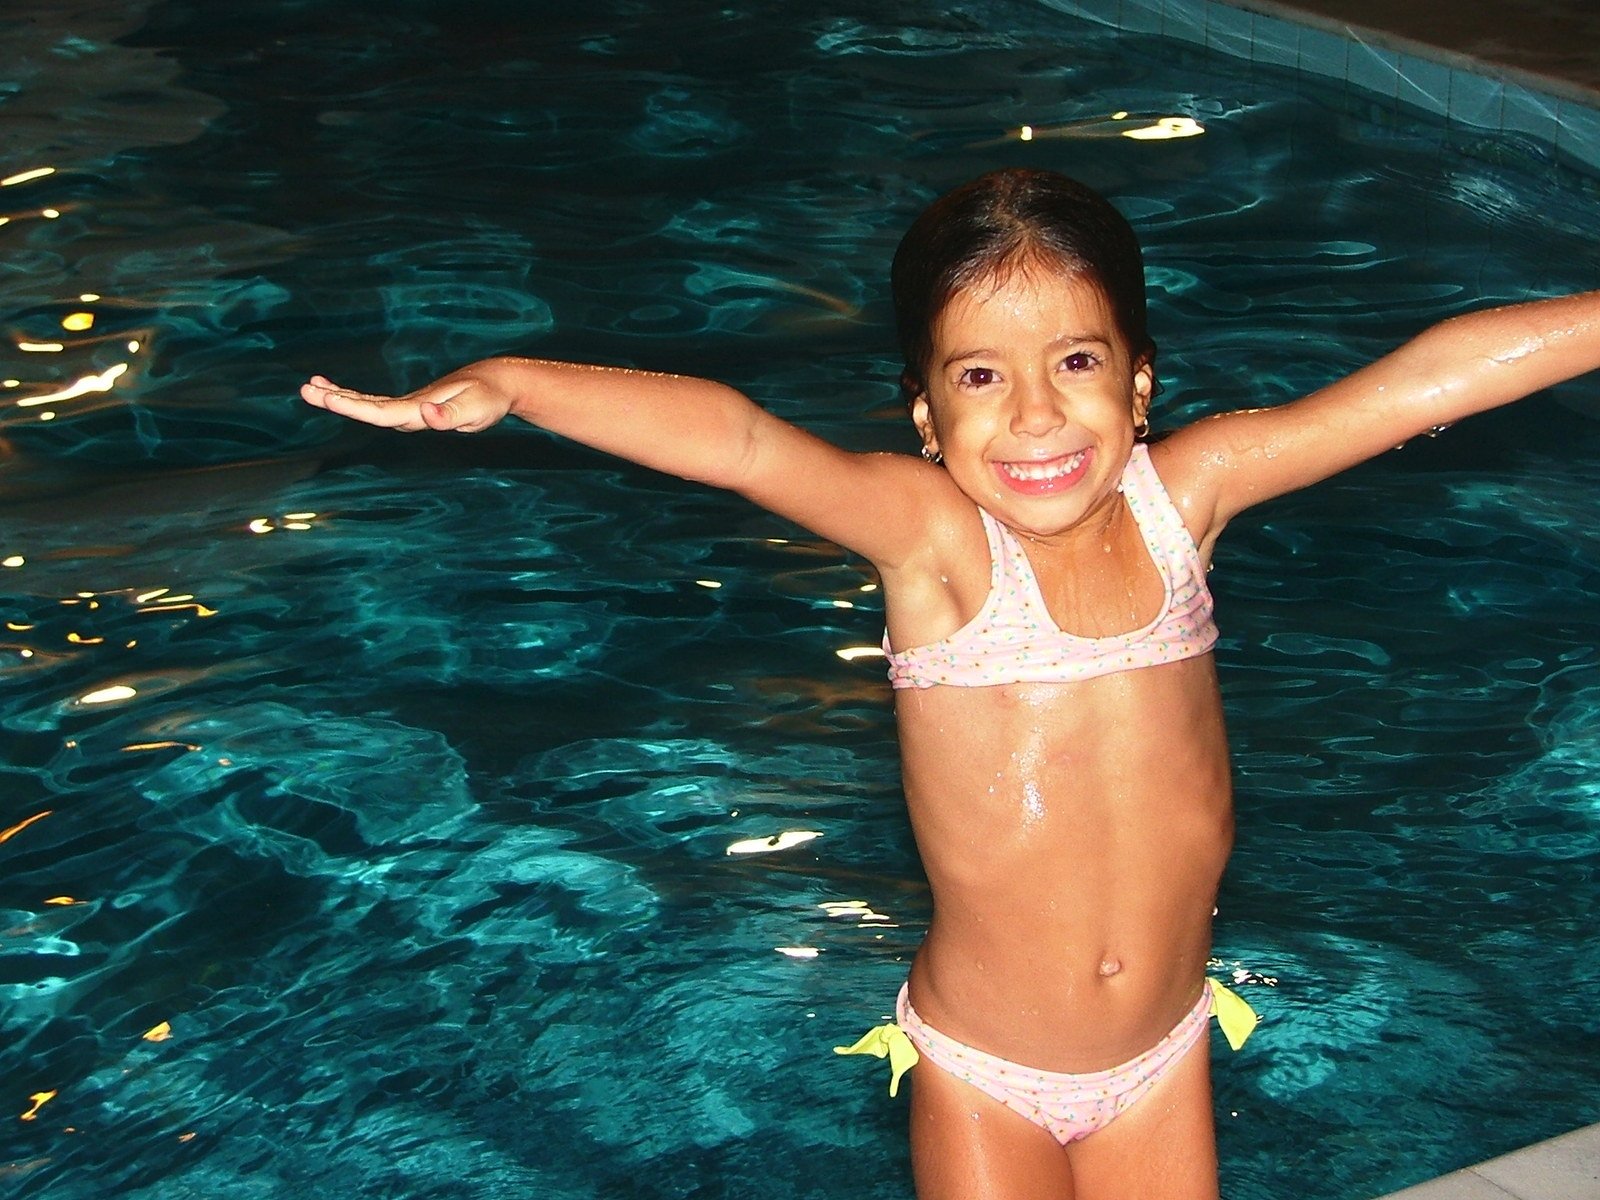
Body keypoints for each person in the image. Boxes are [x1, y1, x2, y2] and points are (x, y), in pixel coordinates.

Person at [300, 168, 1600, 1200]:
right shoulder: (935, 545)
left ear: (1140, 381)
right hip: (988, 1073)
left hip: (1158, 1058)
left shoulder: (1183, 502)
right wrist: (522, 384)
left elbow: (1418, 385)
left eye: (1076, 362)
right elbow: (744, 439)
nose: (1034, 417)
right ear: (924, 415)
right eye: (981, 376)